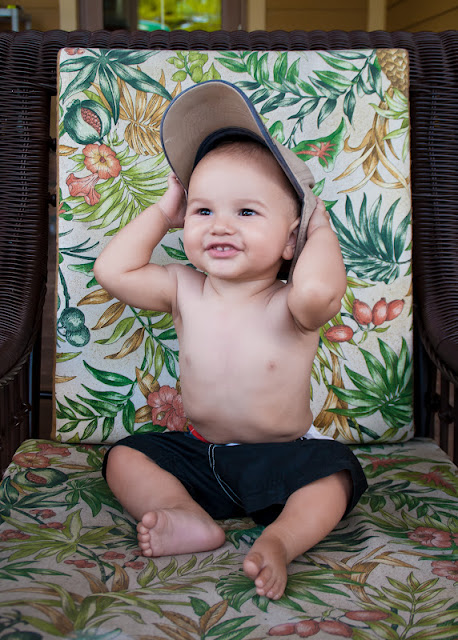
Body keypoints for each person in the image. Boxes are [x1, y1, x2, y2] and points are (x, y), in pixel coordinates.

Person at [94, 81, 367, 601]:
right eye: (203, 211)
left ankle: (281, 540)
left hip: (286, 459)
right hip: (204, 456)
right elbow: (112, 271)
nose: (220, 226)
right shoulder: (183, 288)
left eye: (246, 212)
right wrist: (164, 210)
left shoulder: (292, 304)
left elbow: (318, 289)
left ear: (291, 239)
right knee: (126, 456)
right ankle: (184, 514)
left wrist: (319, 228)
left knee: (335, 473)